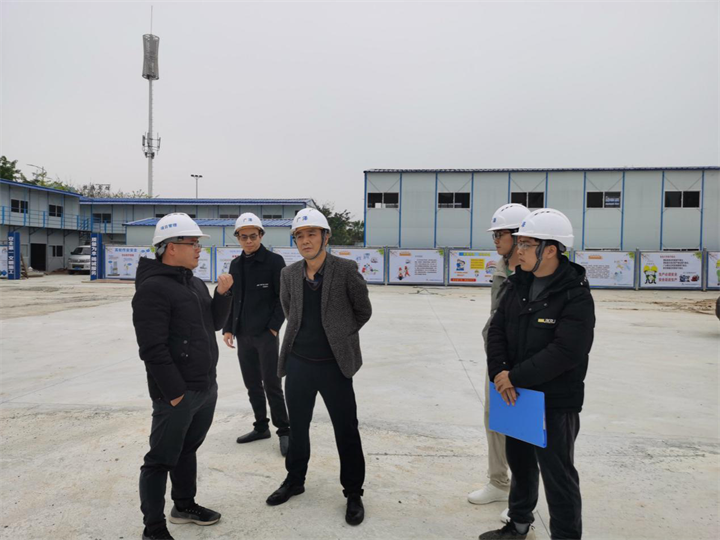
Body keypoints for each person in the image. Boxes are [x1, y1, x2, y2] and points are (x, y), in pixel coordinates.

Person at [480, 208, 595, 540]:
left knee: (558, 475)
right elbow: (496, 330)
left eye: (527, 244)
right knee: (521, 465)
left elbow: (567, 352)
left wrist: (513, 377)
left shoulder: (575, 294)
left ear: (550, 249)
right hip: (515, 394)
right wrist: (500, 372)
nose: (519, 250)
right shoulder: (518, 284)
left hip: (554, 401)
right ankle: (518, 525)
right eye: (520, 243)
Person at [265, 208, 372, 526]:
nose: (305, 240)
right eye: (299, 235)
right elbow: (290, 312)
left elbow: (363, 310)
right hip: (298, 363)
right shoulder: (289, 274)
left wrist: (340, 335)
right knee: (297, 428)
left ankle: (353, 492)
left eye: (312, 233)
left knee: (346, 430)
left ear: (326, 237)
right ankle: (294, 480)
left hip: (334, 366)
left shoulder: (345, 269)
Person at [132, 213, 233, 540]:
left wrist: (222, 295)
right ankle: (153, 529)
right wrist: (175, 393)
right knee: (159, 461)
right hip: (176, 394)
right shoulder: (153, 289)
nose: (198, 249)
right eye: (193, 243)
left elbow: (213, 324)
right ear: (171, 247)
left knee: (187, 450)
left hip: (204, 387)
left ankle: (184, 505)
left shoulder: (193, 283)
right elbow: (152, 349)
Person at [468, 204, 530, 523]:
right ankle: (498, 482)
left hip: (525, 361)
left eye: (500, 234)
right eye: (494, 235)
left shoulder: (534, 272)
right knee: (494, 418)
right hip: (497, 356)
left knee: (521, 427)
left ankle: (522, 496)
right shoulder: (501, 266)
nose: (495, 240)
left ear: (518, 236)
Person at [222, 213, 290, 455]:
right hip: (243, 335)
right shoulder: (235, 265)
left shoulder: (274, 262)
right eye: (244, 237)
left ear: (261, 235)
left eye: (253, 236)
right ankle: (261, 427)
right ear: (238, 238)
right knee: (252, 384)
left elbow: (283, 298)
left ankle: (284, 430)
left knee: (272, 384)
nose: (248, 241)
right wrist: (228, 328)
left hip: (266, 335)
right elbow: (233, 299)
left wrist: (273, 327)